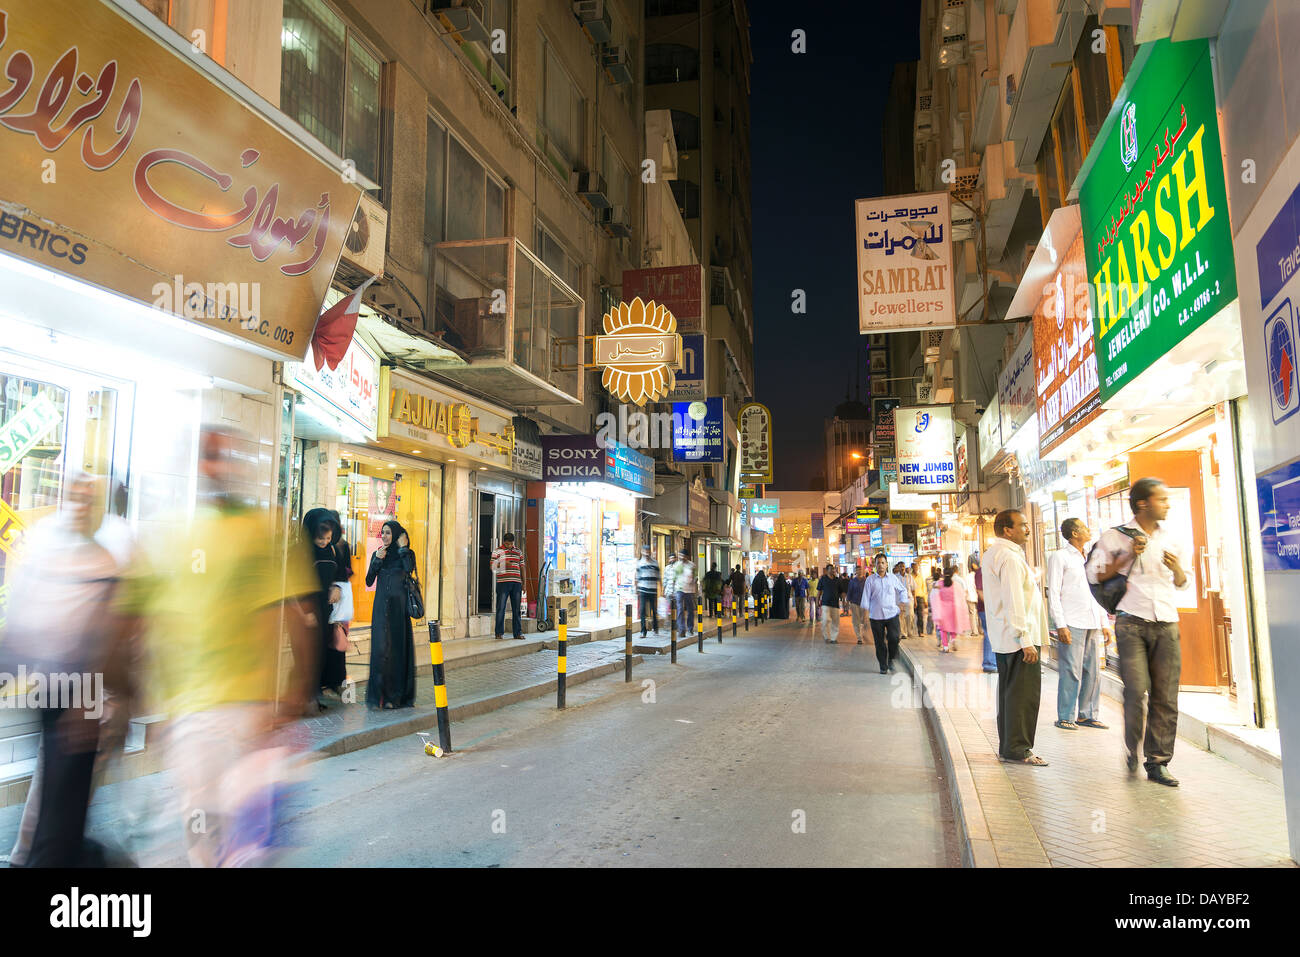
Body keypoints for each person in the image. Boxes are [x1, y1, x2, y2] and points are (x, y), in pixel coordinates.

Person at [121, 426, 320, 865]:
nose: (219, 465)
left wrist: (293, 695)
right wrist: (147, 706)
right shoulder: (172, 536)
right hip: (192, 717)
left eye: (227, 455)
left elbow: (297, 614)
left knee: (243, 842)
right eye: (211, 456)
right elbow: (144, 625)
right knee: (204, 838)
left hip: (250, 712)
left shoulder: (262, 530)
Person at [4, 473, 131, 867]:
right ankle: (41, 854)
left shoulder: (99, 555)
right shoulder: (54, 544)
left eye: (88, 497)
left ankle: (41, 855)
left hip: (78, 689)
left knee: (63, 792)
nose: (79, 504)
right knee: (60, 790)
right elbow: (23, 612)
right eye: (74, 494)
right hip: (58, 687)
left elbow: (106, 634)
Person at [1086, 478, 1187, 787]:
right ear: (1143, 503)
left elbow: (1183, 582)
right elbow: (1094, 573)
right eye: (1163, 499)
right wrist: (1127, 555)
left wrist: (1178, 568)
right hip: (1131, 623)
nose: (1168, 504)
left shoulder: (1172, 537)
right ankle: (1133, 748)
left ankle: (1158, 763)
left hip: (1167, 622)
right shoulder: (1115, 536)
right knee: (1136, 691)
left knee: (1166, 697)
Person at [982, 509, 1049, 767]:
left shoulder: (998, 554)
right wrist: (1025, 639)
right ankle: (1019, 749)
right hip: (1017, 640)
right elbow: (1014, 600)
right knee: (1022, 696)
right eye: (1022, 525)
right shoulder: (1008, 557)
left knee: (1012, 695)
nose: (1027, 529)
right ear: (1007, 530)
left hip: (1008, 638)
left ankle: (1011, 746)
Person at [1047, 518, 1112, 732]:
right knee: (1071, 671)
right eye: (1084, 527)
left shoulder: (1091, 557)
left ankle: (1088, 715)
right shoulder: (1060, 557)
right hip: (1072, 621)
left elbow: (1097, 591)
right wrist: (1060, 624)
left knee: (1093, 671)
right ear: (1074, 534)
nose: (1088, 529)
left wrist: (1104, 622)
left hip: (1092, 620)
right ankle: (1065, 716)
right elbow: (1053, 593)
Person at [366, 520, 418, 709]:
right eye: (383, 533)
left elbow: (408, 568)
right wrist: (377, 560)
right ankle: (378, 696)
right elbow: (369, 580)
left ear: (396, 535)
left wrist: (403, 548)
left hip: (398, 609)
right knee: (380, 651)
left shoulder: (406, 554)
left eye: (388, 533)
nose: (385, 536)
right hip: (380, 609)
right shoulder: (378, 553)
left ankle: (395, 697)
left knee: (396, 652)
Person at [303, 508, 347, 706]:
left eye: (328, 538)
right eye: (321, 539)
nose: (324, 542)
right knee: (310, 653)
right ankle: (309, 697)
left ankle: (320, 693)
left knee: (324, 651)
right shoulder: (304, 551)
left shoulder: (332, 550)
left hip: (327, 609)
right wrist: (305, 611)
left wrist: (337, 587)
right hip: (310, 608)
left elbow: (341, 576)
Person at [861, 553, 911, 673]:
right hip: (876, 616)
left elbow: (903, 590)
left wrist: (903, 603)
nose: (881, 565)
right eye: (878, 563)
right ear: (875, 565)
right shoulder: (870, 580)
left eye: (883, 563)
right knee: (879, 643)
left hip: (891, 614)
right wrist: (865, 619)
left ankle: (892, 660)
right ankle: (883, 666)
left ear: (887, 564)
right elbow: (865, 599)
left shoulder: (893, 578)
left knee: (894, 637)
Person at [490, 531, 526, 640]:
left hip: (516, 583)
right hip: (503, 583)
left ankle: (517, 633)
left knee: (516, 609)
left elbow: (522, 567)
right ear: (504, 542)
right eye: (507, 544)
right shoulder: (498, 551)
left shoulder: (518, 551)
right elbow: (492, 566)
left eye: (511, 544)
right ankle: (499, 633)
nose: (509, 546)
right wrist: (504, 563)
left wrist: (524, 583)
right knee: (501, 608)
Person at [931, 559, 970, 654]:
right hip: (953, 609)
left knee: (943, 629)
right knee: (953, 626)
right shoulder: (955, 584)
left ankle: (945, 647)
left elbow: (934, 592)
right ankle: (953, 640)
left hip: (943, 609)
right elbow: (961, 596)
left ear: (943, 574)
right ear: (952, 574)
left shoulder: (939, 584)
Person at [971, 552, 996, 674]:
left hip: (988, 609)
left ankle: (992, 662)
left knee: (991, 635)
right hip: (986, 609)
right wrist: (991, 607)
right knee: (990, 635)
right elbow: (980, 592)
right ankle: (989, 663)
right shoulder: (982, 572)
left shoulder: (987, 571)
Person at [635, 545, 661, 637]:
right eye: (645, 551)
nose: (646, 552)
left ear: (650, 552)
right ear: (642, 551)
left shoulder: (655, 563)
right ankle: (643, 630)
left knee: (653, 610)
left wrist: (661, 590)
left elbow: (658, 577)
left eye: (648, 551)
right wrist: (636, 589)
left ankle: (655, 628)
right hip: (642, 590)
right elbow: (637, 577)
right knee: (642, 610)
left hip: (653, 590)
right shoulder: (639, 563)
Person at [816, 564, 841, 642]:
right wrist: (817, 602)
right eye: (831, 569)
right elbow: (819, 591)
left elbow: (841, 592)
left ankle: (834, 638)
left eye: (833, 569)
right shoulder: (823, 579)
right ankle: (826, 637)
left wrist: (844, 602)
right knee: (825, 619)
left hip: (835, 603)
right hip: (825, 603)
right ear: (827, 570)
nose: (833, 570)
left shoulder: (837, 579)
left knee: (835, 621)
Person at [846, 563, 869, 644]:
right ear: (855, 571)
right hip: (854, 603)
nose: (859, 571)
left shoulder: (866, 580)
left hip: (864, 603)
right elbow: (849, 592)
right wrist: (847, 603)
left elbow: (868, 592)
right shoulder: (852, 581)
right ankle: (859, 638)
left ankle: (863, 635)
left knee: (865, 620)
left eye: (860, 570)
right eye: (858, 570)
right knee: (856, 621)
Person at [894, 562, 916, 638]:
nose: (902, 568)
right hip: (899, 600)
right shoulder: (895, 577)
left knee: (910, 615)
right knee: (901, 617)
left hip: (909, 599)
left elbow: (913, 589)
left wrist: (915, 600)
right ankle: (903, 633)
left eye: (903, 566)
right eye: (900, 566)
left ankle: (909, 631)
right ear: (898, 568)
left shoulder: (909, 577)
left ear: (905, 567)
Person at [910, 563, 928, 638]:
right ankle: (911, 631)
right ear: (912, 568)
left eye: (917, 567)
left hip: (920, 597)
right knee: (911, 615)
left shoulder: (921, 577)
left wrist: (925, 599)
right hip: (911, 598)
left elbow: (924, 588)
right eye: (914, 567)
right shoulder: (910, 576)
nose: (916, 568)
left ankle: (920, 631)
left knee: (920, 615)